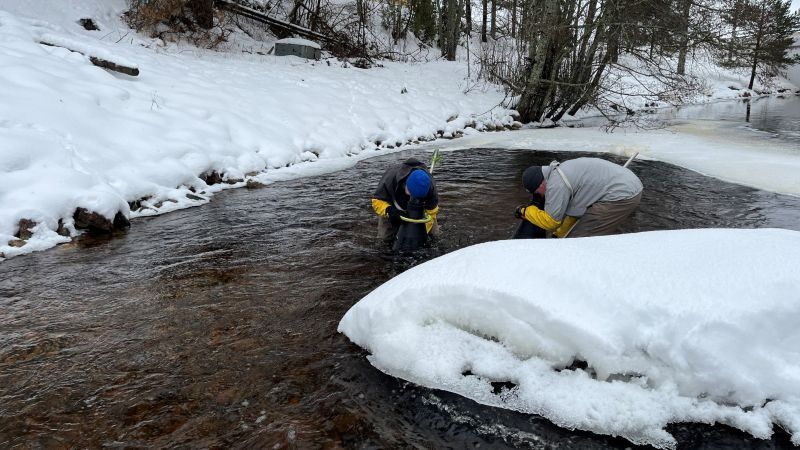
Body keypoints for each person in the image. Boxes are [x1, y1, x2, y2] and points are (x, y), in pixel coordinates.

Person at [515, 157, 643, 238]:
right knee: (580, 226)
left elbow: (550, 222)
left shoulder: (556, 184)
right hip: (626, 183)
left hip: (622, 194)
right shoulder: (559, 172)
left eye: (537, 192)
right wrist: (559, 235)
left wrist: (525, 211)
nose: (540, 195)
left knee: (578, 239)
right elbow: (576, 213)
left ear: (540, 183)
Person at [371, 157, 439, 243]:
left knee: (434, 236)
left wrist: (420, 232)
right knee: (385, 238)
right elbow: (376, 200)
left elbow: (431, 212)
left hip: (421, 209)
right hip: (392, 207)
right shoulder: (390, 178)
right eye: (410, 193)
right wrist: (389, 211)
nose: (412, 198)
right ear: (406, 184)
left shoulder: (430, 186)